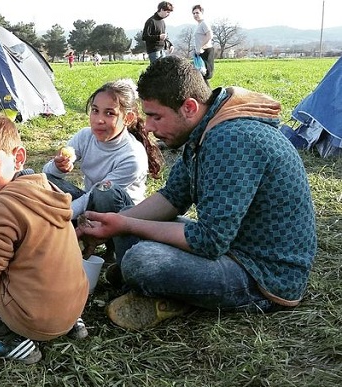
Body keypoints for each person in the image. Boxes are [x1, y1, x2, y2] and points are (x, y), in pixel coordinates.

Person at [76, 56, 317, 331]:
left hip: (262, 273)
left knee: (141, 260)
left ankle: (179, 295)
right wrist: (115, 223)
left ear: (189, 107)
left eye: (155, 116)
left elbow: (209, 241)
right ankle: (167, 285)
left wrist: (126, 223)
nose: (150, 127)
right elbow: (172, 197)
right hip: (231, 245)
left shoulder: (231, 139)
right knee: (120, 214)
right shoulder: (207, 127)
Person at [0, 113, 89, 364]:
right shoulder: (46, 189)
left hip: (36, 321)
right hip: (73, 307)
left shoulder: (2, 206)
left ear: (18, 158)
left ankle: (11, 340)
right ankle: (72, 325)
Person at [42, 79, 162, 233]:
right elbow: (47, 173)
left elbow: (98, 193)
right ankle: (66, 229)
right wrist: (58, 166)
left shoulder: (132, 156)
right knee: (38, 179)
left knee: (104, 191)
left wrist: (64, 214)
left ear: (128, 118)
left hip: (121, 215)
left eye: (109, 113)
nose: (98, 120)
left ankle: (111, 247)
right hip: (89, 202)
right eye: (95, 110)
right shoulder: (85, 136)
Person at [192, 5, 215, 84]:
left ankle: (208, 94)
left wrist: (201, 46)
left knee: (205, 74)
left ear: (202, 13)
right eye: (194, 13)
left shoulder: (204, 23)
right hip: (199, 52)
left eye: (197, 13)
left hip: (206, 51)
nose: (195, 15)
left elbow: (210, 35)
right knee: (200, 76)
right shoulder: (199, 25)